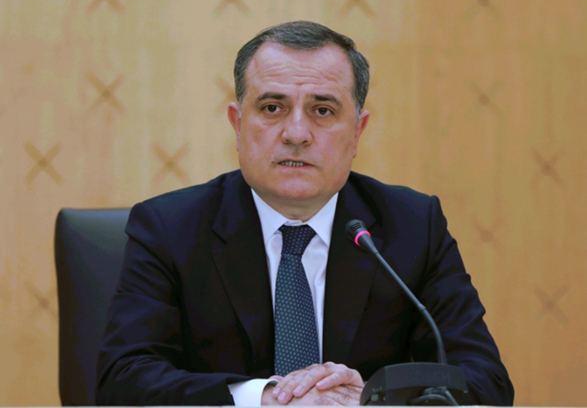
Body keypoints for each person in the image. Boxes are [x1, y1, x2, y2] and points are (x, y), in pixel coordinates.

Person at [96, 21, 514, 405]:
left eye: (323, 110)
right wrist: (265, 399)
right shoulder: (170, 229)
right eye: (272, 108)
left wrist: (372, 400)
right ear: (237, 124)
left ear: (358, 131)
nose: (296, 134)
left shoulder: (412, 226)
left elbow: (485, 381)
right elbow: (122, 380)